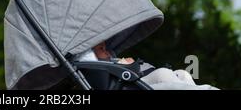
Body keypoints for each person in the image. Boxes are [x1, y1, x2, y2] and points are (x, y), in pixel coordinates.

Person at [75, 42, 218, 90]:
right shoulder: (95, 67)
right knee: (164, 74)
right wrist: (124, 66)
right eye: (101, 49)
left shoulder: (110, 60)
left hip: (139, 81)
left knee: (183, 73)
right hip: (128, 86)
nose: (107, 52)